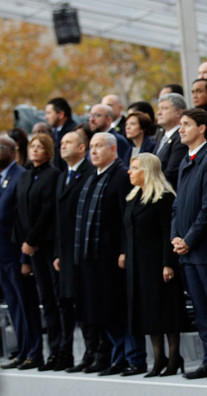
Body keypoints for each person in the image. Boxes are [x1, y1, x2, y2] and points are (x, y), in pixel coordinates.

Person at [75, 132, 145, 376]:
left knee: (119, 309)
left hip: (114, 257)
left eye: (98, 147)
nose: (93, 151)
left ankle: (132, 357)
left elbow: (127, 218)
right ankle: (116, 357)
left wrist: (125, 251)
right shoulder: (92, 177)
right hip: (92, 256)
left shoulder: (120, 176)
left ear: (113, 150)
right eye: (91, 147)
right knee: (103, 310)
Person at [171, 108, 207, 379]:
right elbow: (178, 204)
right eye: (180, 124)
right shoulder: (185, 161)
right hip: (187, 251)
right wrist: (175, 237)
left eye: (186, 124)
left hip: (204, 251)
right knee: (201, 310)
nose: (181, 129)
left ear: (202, 129)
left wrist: (188, 240)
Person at [122, 153, 185, 377]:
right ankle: (159, 358)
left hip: (158, 264)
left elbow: (168, 232)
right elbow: (127, 229)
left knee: (165, 310)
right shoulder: (133, 197)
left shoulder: (163, 197)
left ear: (147, 171)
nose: (130, 172)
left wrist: (168, 263)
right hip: (138, 264)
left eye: (135, 168)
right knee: (147, 312)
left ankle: (174, 356)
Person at [15, 134, 62, 371]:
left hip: (46, 243)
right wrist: (26, 244)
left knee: (56, 297)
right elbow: (20, 211)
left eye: (39, 147)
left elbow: (47, 210)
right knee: (45, 298)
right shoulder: (25, 176)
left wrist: (31, 239)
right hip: (30, 246)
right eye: (32, 146)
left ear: (48, 152)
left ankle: (60, 350)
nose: (34, 150)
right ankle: (48, 352)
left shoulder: (52, 175)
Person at [52, 131, 96, 373]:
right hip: (66, 252)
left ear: (82, 148)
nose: (62, 145)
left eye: (68, 142)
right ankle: (72, 352)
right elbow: (59, 219)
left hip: (83, 249)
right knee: (68, 302)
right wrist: (58, 252)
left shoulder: (89, 172)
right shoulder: (62, 177)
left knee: (85, 301)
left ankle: (93, 351)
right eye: (62, 142)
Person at [0, 136, 42, 371]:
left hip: (16, 252)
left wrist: (25, 257)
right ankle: (23, 350)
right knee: (14, 304)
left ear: (12, 151)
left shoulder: (20, 175)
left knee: (26, 303)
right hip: (2, 254)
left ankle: (34, 351)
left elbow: (22, 218)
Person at [155, 93, 189, 189]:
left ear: (179, 112)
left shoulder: (181, 138)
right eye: (159, 109)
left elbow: (171, 174)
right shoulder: (161, 136)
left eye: (164, 108)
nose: (159, 113)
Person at [45, 97, 77, 170]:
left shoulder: (73, 132)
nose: (46, 117)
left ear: (61, 114)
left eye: (49, 113)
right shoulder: (56, 132)